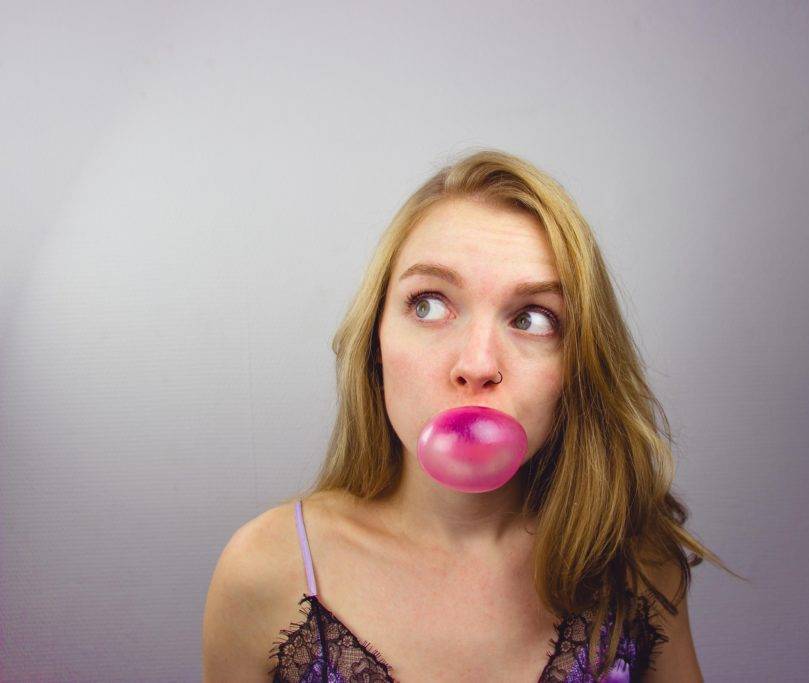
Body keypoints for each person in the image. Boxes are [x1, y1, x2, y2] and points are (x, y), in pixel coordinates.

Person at [203, 149, 738, 682]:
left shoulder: (636, 564)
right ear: (375, 340)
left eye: (532, 319)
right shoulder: (267, 569)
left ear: (578, 368)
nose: (477, 365)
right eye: (429, 304)